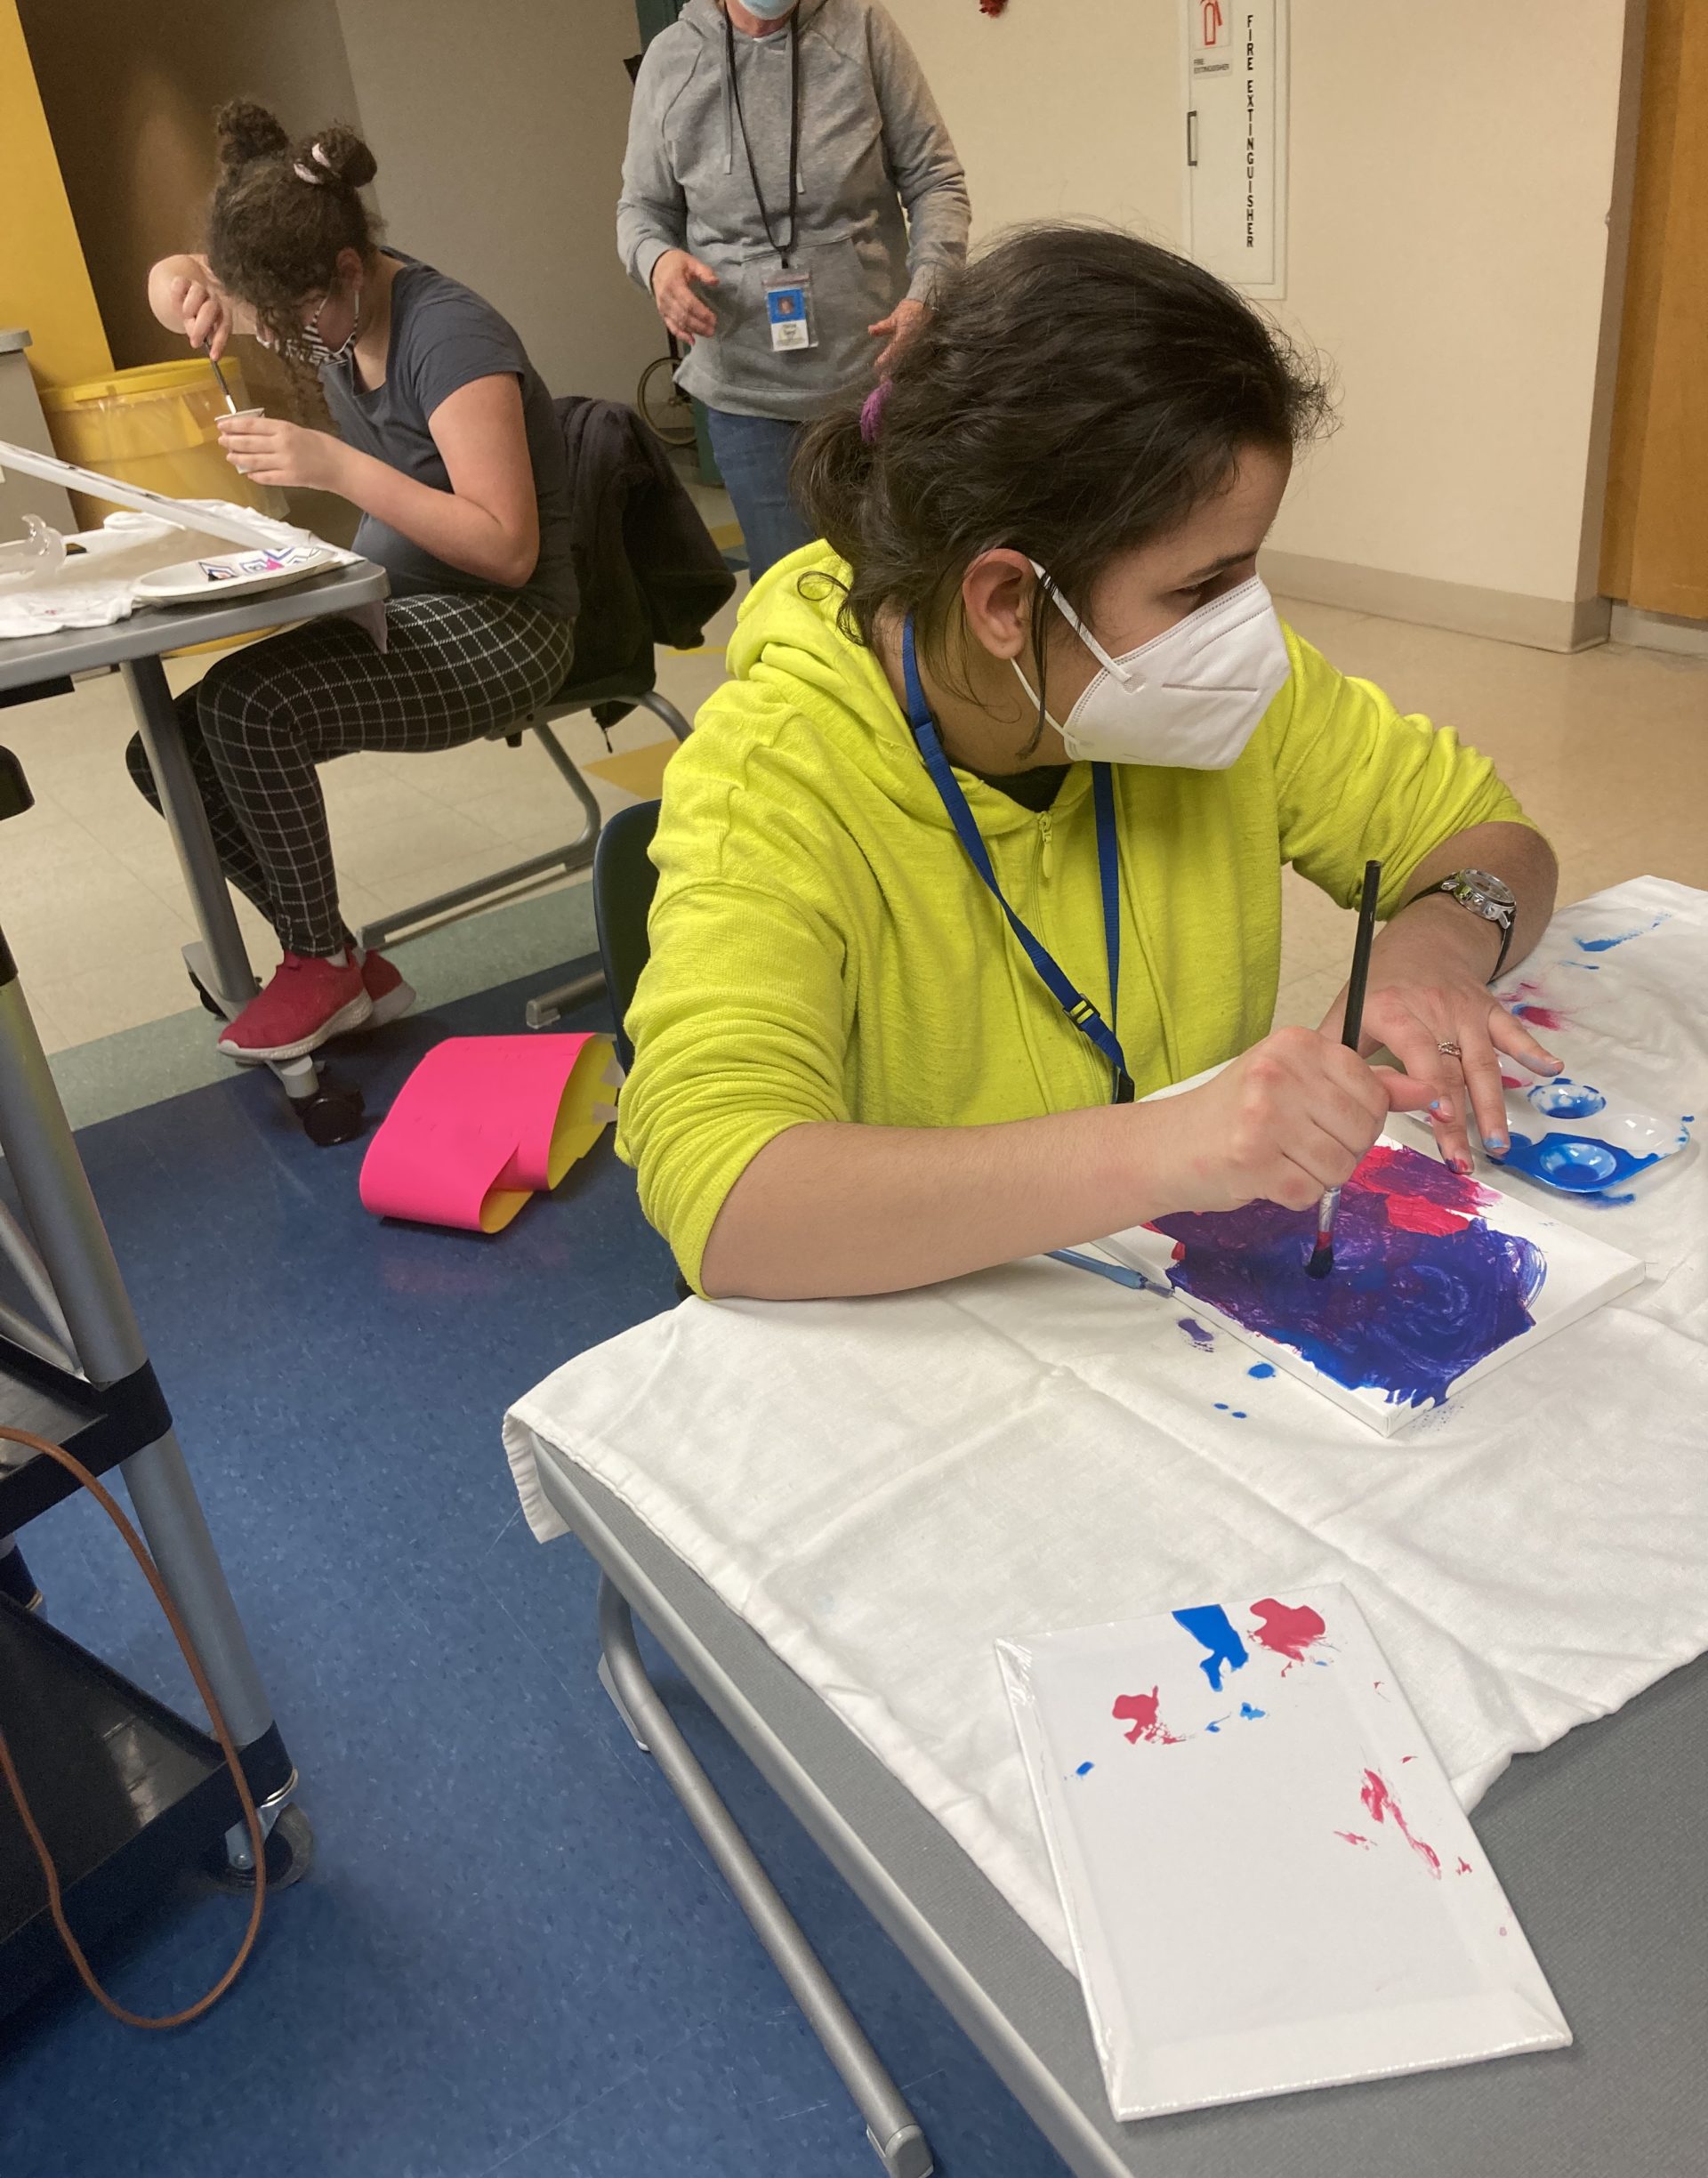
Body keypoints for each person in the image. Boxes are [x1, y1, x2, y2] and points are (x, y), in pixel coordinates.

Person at [615, 226, 1565, 1309]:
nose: (1244, 629)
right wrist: (1169, 1146)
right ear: (1008, 602)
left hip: (1178, 1317)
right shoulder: (777, 774)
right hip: (947, 1345)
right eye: (1202, 587)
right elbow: (726, 1200)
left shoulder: (1218, 684)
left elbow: (1490, 835)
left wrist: (1432, 949)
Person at [133, 102, 578, 1061]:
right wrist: (181, 287)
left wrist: (336, 468)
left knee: (253, 708)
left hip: (505, 625)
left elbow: (507, 549)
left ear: (345, 271)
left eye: (293, 325)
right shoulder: (323, 284)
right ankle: (332, 951)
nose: (289, 345)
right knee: (162, 751)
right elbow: (181, 274)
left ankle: (317, 964)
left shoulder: (449, 339)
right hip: (402, 603)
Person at [618, 0, 969, 583]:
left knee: (897, 585)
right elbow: (642, 209)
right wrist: (657, 265)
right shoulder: (673, 57)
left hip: (872, 380)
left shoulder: (861, 30)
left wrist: (927, 295)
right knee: (794, 595)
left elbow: (936, 180)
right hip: (746, 394)